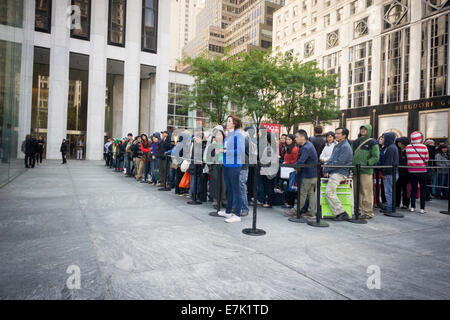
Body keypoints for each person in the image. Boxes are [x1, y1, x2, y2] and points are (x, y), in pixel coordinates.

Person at [218, 114, 245, 223]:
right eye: (227, 121)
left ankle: (237, 214)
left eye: (229, 121)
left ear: (234, 123)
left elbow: (240, 151)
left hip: (234, 166)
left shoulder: (238, 135)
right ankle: (228, 211)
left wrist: (225, 151)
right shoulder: (229, 135)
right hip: (226, 164)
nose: (227, 123)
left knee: (236, 189)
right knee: (229, 189)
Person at [284, 130, 318, 218]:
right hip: (313, 174)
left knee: (302, 194)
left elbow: (301, 161)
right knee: (311, 194)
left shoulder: (306, 147)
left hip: (307, 175)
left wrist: (293, 166)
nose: (295, 138)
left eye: (297, 136)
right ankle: (311, 212)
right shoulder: (309, 145)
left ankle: (295, 211)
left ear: (303, 137)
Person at [323, 127, 353, 221]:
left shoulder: (345, 147)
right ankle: (339, 213)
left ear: (344, 135)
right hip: (334, 171)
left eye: (338, 134)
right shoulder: (338, 145)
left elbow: (340, 162)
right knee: (329, 192)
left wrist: (326, 168)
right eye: (335, 133)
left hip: (340, 173)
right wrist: (327, 167)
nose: (335, 135)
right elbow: (332, 159)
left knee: (329, 192)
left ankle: (341, 212)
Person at [352, 124, 379, 220]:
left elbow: (376, 156)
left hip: (366, 171)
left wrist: (368, 163)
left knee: (366, 192)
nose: (363, 130)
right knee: (356, 192)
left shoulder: (373, 142)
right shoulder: (356, 141)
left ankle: (368, 212)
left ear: (369, 130)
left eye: (365, 129)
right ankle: (357, 210)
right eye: (361, 129)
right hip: (355, 170)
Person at [406, 131, 430, 214]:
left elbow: (407, 158)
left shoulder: (408, 147)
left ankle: (412, 207)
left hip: (411, 171)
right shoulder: (424, 147)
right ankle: (422, 209)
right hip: (422, 171)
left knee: (414, 189)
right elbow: (426, 159)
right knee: (423, 189)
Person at [380, 132, 399, 214]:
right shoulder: (392, 147)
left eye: (384, 138)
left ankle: (390, 207)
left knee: (388, 191)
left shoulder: (391, 148)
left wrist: (384, 172)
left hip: (389, 173)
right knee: (389, 191)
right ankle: (389, 206)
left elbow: (388, 162)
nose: (383, 139)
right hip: (392, 173)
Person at [281, 134, 299, 209]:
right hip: (287, 169)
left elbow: (295, 160)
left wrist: (287, 163)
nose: (287, 141)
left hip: (291, 169)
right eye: (287, 139)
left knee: (291, 186)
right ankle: (288, 202)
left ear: (292, 140)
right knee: (288, 185)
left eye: (289, 139)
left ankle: (290, 203)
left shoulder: (295, 149)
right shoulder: (288, 148)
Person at [395, 136, 410, 209]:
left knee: (405, 189)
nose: (398, 144)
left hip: (406, 172)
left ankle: (405, 204)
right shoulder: (398, 150)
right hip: (399, 171)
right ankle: (397, 202)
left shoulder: (408, 151)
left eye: (400, 142)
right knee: (397, 188)